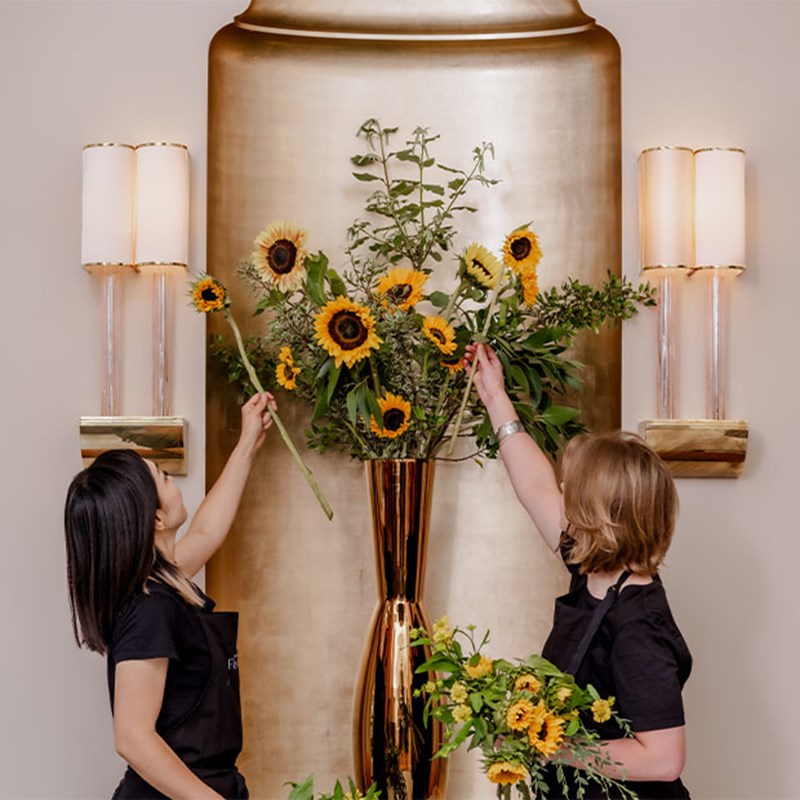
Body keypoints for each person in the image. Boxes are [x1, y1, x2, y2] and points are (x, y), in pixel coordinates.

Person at [467, 343, 692, 799]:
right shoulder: (593, 565)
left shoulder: (639, 625)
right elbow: (535, 485)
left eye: (574, 489)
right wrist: (494, 396)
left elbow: (663, 758)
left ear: (600, 516)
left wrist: (546, 746)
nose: (563, 488)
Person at [64, 392, 276, 800]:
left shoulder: (164, 581)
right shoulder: (150, 610)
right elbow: (132, 736)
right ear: (157, 517)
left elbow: (207, 532)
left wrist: (247, 443)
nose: (172, 481)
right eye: (163, 477)